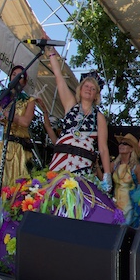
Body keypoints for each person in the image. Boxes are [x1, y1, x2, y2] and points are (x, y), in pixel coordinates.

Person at [0, 66, 38, 230]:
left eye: (20, 76)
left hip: (18, 150)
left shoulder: (29, 101)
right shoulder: (3, 98)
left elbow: (25, 122)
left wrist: (5, 112)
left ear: (24, 82)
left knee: (13, 190)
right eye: (13, 75)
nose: (16, 78)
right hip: (0, 147)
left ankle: (8, 231)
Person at [45, 47, 112, 188]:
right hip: (60, 163)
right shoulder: (71, 105)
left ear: (96, 96)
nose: (89, 89)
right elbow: (59, 78)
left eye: (93, 88)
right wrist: (51, 54)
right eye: (86, 86)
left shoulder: (99, 117)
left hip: (83, 167)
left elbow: (103, 149)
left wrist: (107, 175)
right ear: (80, 90)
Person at [110, 133, 140, 227]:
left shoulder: (136, 167)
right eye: (120, 143)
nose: (121, 145)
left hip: (131, 207)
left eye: (125, 144)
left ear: (131, 149)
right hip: (116, 205)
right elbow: (104, 181)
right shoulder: (114, 165)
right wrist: (96, 166)